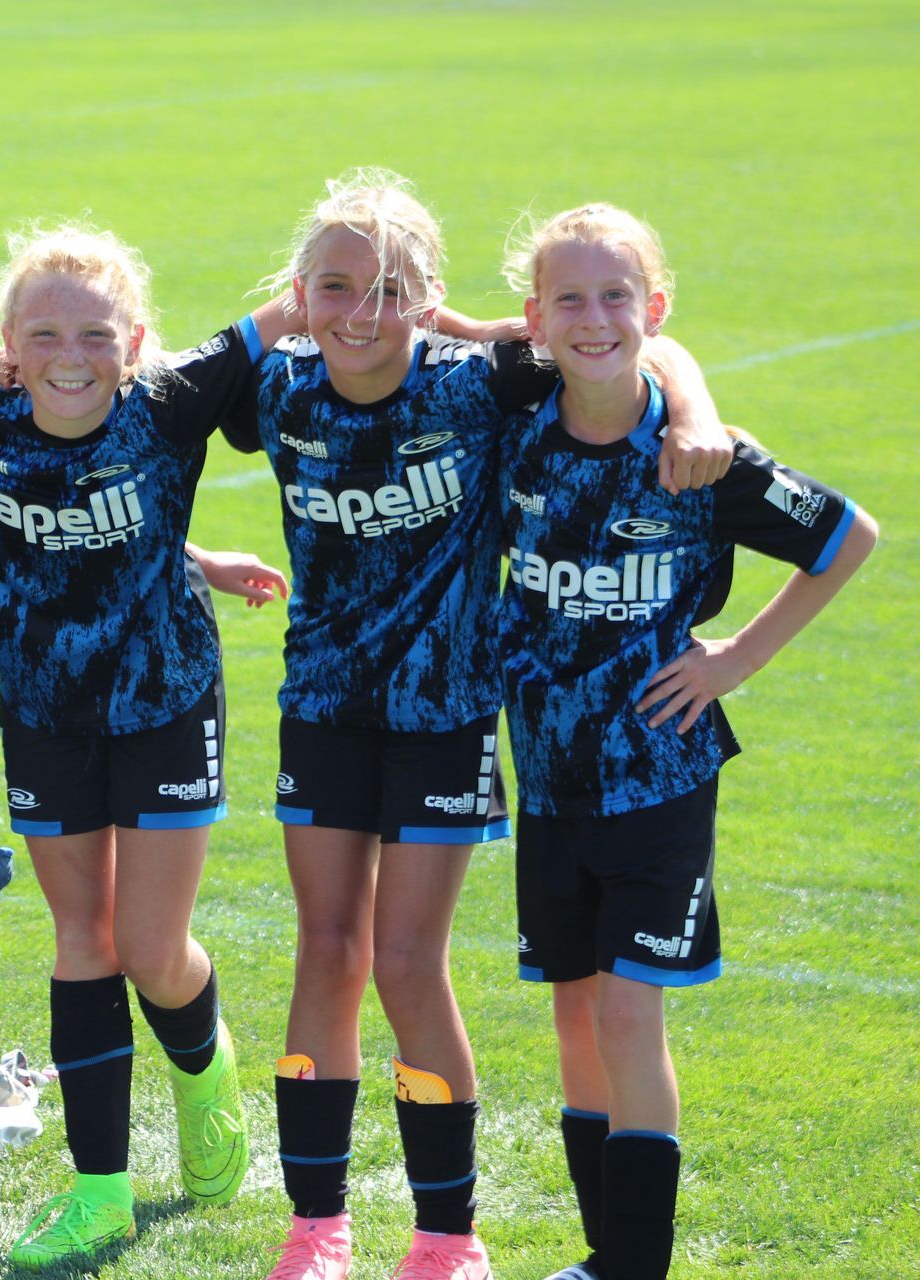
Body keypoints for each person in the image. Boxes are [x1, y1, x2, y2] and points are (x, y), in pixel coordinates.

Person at [219, 171, 733, 1280]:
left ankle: (447, 1235)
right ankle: (317, 1228)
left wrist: (691, 407)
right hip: (321, 709)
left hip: (449, 717)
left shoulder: (481, 382)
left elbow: (628, 338)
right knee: (326, 950)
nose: (360, 311)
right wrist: (292, 307)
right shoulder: (275, 391)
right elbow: (139, 389)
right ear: (300, 295)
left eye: (390, 288)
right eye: (335, 287)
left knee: (408, 961)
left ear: (433, 297)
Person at [496, 204, 875, 1280]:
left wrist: (734, 662)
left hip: (661, 778)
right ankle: (603, 1250)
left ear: (654, 309)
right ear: (536, 318)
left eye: (617, 296)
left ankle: (638, 1265)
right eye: (568, 298)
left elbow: (848, 538)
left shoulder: (701, 458)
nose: (594, 317)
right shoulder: (514, 425)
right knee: (573, 1009)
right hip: (550, 778)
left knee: (626, 1009)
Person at [0, 224, 298, 1270]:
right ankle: (99, 1186)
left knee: (152, 947)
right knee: (81, 940)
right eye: (45, 332)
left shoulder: (171, 402)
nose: (72, 353)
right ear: (5, 345)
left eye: (96, 333)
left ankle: (204, 1073)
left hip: (166, 703)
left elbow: (294, 309)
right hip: (47, 714)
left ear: (136, 339)